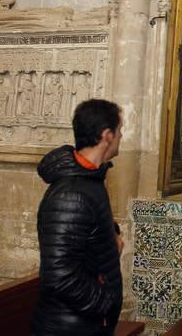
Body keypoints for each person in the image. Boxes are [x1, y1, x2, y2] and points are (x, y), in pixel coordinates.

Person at [31, 99, 124, 336]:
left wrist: (109, 232)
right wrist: (105, 303)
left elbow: (83, 223)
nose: (121, 135)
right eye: (119, 130)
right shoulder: (71, 193)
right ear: (107, 135)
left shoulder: (88, 179)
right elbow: (59, 275)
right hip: (70, 327)